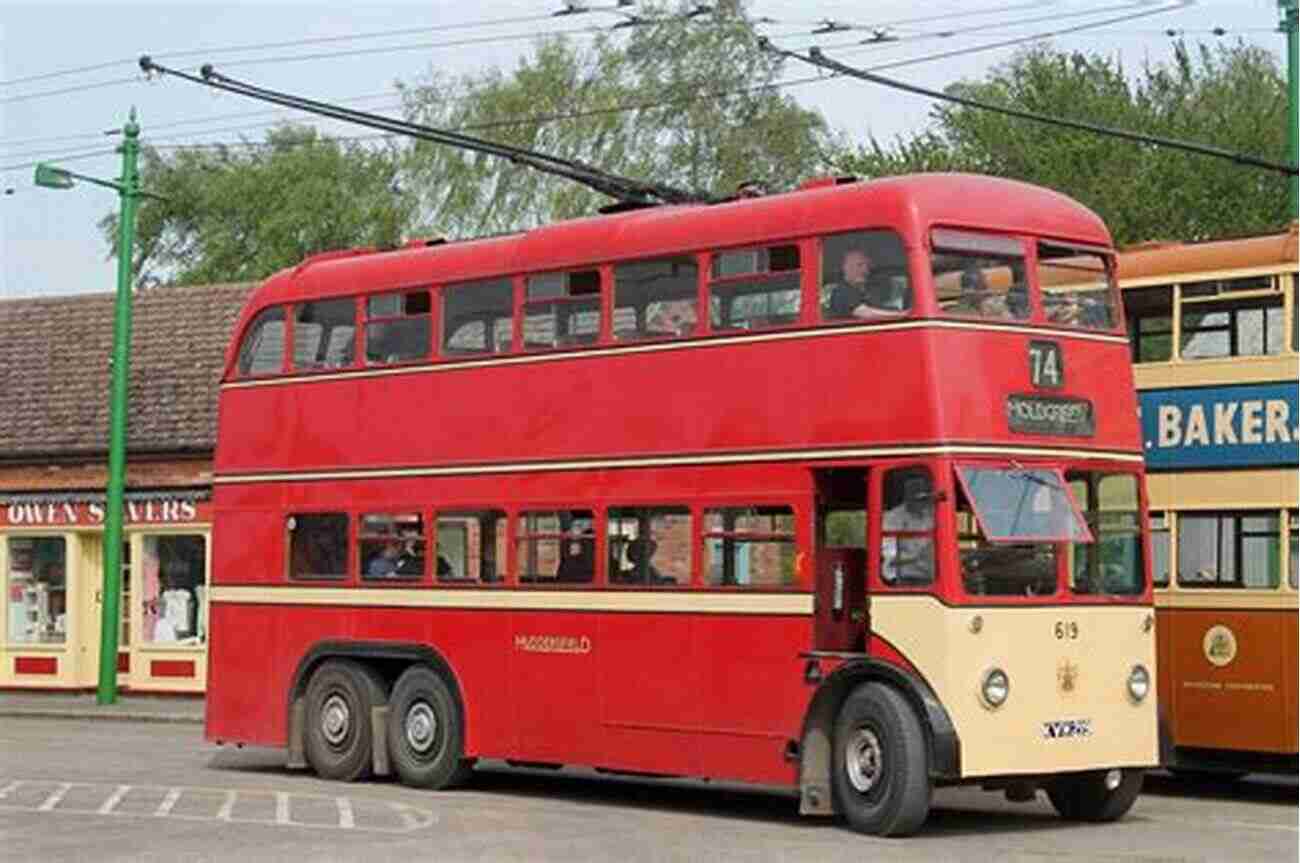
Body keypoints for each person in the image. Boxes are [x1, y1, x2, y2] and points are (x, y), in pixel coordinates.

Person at [881, 477, 935, 585]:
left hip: (929, 575)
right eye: (917, 497)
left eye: (924, 498)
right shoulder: (893, 517)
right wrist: (916, 556)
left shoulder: (932, 514)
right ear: (907, 497)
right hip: (901, 576)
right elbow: (889, 552)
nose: (922, 502)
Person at [824, 249, 905, 319]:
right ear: (846, 267)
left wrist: (894, 310)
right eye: (860, 265)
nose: (866, 270)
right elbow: (865, 313)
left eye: (867, 266)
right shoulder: (842, 292)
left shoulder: (863, 293)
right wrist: (901, 314)